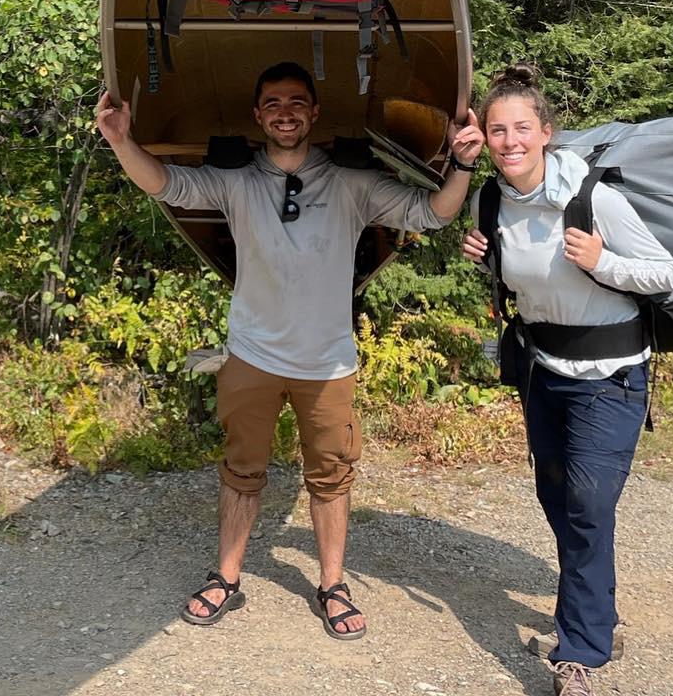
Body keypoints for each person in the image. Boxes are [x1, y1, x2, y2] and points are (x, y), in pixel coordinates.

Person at [95, 61, 484, 637]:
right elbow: (165, 183)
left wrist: (464, 165)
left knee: (331, 475)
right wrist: (121, 141)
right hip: (251, 355)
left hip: (328, 362)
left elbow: (433, 213)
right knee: (241, 469)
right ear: (258, 116)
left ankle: (333, 584)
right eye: (273, 102)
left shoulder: (353, 182)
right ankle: (226, 576)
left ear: (315, 113)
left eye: (297, 101)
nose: (285, 111)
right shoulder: (235, 180)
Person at [460, 63, 673, 696]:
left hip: (610, 376)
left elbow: (663, 274)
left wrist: (603, 260)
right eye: (497, 130)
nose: (509, 142)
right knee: (558, 496)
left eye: (522, 128)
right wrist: (489, 260)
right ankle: (595, 599)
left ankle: (578, 652)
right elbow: (525, 283)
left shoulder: (593, 198)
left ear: (547, 132)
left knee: (586, 504)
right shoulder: (491, 198)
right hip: (542, 370)